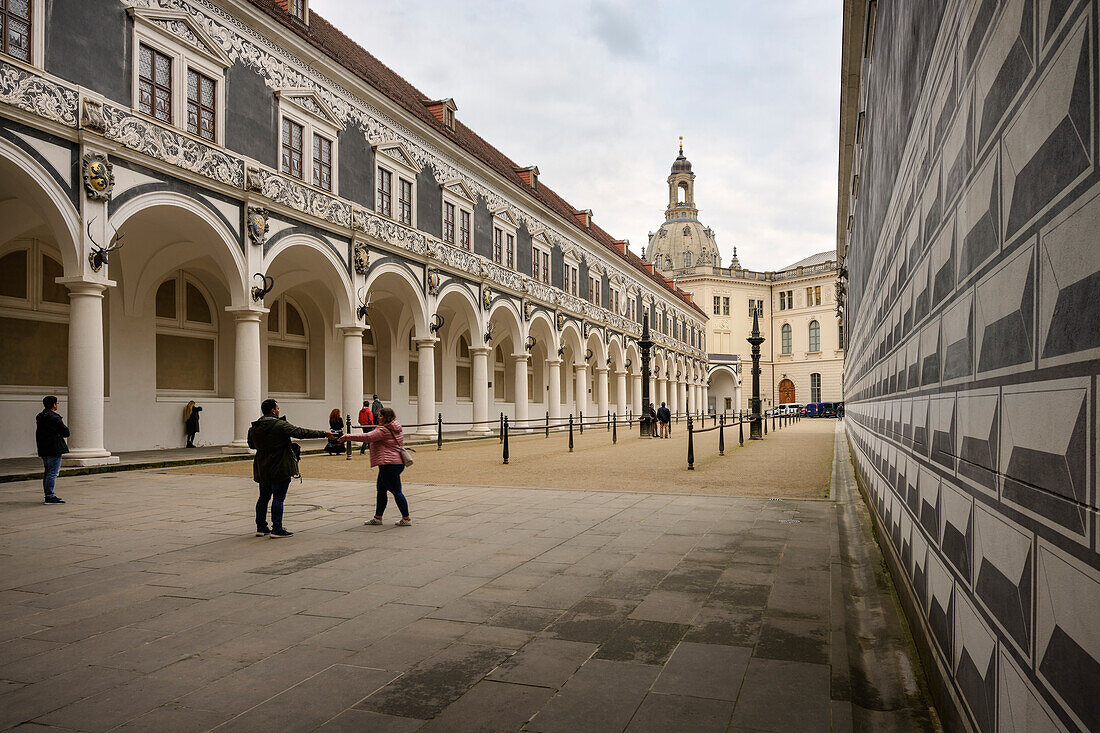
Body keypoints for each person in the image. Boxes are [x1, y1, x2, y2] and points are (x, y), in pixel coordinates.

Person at [247, 398, 336, 537]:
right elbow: (300, 432)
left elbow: (252, 445)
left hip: (262, 466)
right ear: (272, 410)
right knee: (278, 498)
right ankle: (277, 528)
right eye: (277, 408)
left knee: (263, 497)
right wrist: (324, 433)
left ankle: (261, 526)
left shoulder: (254, 428)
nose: (278, 410)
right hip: (280, 465)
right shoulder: (280, 425)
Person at [340, 407, 411, 526]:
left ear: (387, 417)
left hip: (388, 464)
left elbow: (367, 437)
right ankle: (378, 517)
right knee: (381, 490)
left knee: (396, 491)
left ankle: (406, 518)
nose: (378, 417)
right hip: (395, 462)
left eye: (381, 415)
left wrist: (347, 436)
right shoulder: (396, 427)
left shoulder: (384, 430)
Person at [36, 395, 69, 504]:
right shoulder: (54, 418)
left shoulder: (40, 417)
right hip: (54, 448)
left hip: (44, 448)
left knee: (47, 472)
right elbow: (66, 432)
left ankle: (48, 494)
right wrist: (58, 434)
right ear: (54, 405)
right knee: (52, 473)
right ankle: (49, 496)